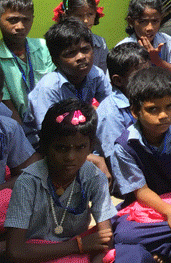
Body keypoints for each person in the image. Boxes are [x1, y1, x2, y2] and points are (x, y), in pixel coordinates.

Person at [110, 67, 171, 263]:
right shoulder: (125, 146)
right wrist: (170, 213)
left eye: (169, 106)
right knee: (124, 235)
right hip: (150, 207)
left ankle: (162, 250)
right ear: (135, 111)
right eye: (153, 109)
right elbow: (141, 191)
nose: (163, 115)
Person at [6, 100, 116, 263]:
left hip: (78, 251)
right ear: (45, 146)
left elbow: (105, 238)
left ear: (91, 146)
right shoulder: (28, 182)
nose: (70, 157)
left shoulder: (94, 177)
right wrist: (78, 245)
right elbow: (15, 251)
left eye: (80, 147)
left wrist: (98, 257)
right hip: (37, 255)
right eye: (61, 148)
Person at [28, 19, 112, 133]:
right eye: (71, 53)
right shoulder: (49, 87)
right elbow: (47, 130)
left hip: (79, 131)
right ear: (56, 61)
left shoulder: (96, 74)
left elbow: (111, 107)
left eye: (85, 49)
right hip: (43, 137)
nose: (81, 57)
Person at [0, 0, 54, 126]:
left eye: (26, 19)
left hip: (49, 121)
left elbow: (53, 89)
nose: (20, 26)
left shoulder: (44, 48)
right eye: (12, 20)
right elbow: (6, 104)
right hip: (16, 125)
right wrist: (22, 134)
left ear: (32, 19)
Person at [95, 43, 149, 160]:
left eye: (149, 72)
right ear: (118, 80)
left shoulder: (146, 96)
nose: (148, 79)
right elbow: (116, 158)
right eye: (139, 76)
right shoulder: (110, 113)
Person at [117, 0, 171, 75]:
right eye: (143, 22)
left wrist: (157, 60)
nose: (150, 28)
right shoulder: (123, 48)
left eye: (155, 21)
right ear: (131, 21)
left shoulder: (166, 40)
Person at [53, 0, 108, 73]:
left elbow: (103, 72)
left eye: (90, 14)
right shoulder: (57, 43)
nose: (86, 20)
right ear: (66, 16)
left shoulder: (101, 43)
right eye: (79, 15)